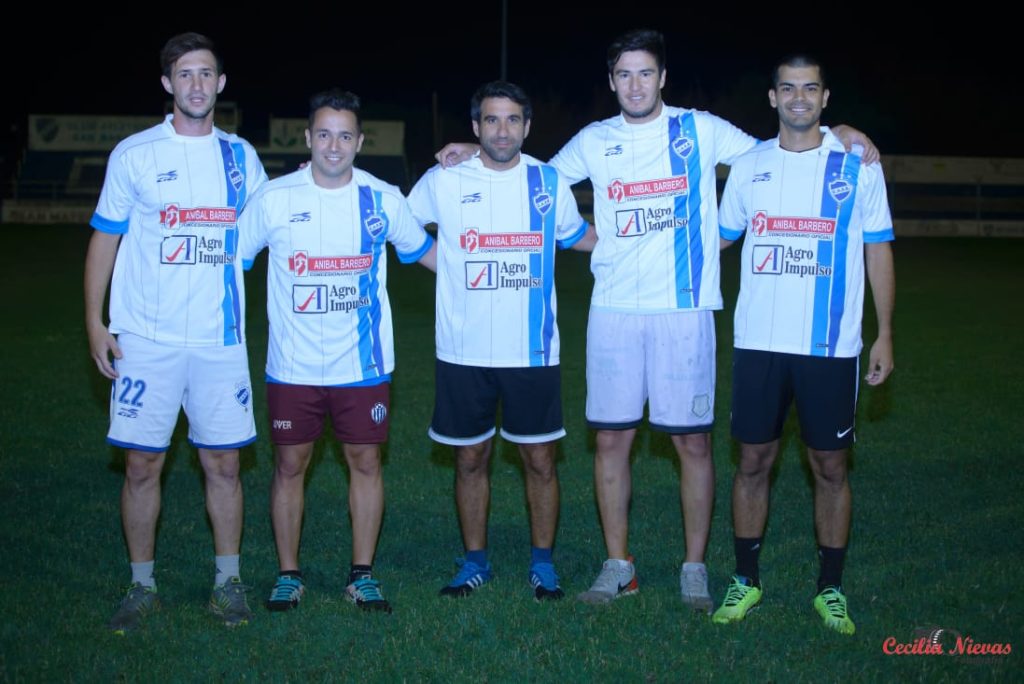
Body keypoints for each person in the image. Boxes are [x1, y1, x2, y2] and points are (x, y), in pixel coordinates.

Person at [438, 29, 877, 612]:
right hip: (614, 311)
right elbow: (527, 170)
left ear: (662, 78)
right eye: (624, 74)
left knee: (692, 443)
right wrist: (474, 151)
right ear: (611, 81)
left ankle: (694, 568)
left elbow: (781, 147)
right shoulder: (595, 140)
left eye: (646, 73)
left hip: (685, 311)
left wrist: (838, 132)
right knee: (611, 440)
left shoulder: (701, 129)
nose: (636, 84)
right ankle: (618, 565)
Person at [85, 32, 267, 632]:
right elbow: (105, 237)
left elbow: (273, 219)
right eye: (184, 74)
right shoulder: (135, 153)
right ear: (168, 83)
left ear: (221, 83)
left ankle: (228, 582)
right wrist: (94, 321)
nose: (196, 84)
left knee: (224, 465)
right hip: (146, 338)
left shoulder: (241, 157)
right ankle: (141, 586)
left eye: (205, 73)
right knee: (142, 465)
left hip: (219, 339)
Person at [712, 55, 895, 635]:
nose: (798, 98)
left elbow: (878, 248)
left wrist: (885, 332)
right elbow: (717, 238)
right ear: (772, 97)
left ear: (825, 97)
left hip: (831, 346)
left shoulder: (857, 166)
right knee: (752, 461)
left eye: (809, 88)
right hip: (759, 344)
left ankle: (830, 588)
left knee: (830, 466)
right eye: (788, 88)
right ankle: (745, 579)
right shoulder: (749, 167)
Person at [238, 89, 436, 614]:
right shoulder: (275, 198)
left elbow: (428, 254)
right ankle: (288, 574)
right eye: (324, 134)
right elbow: (230, 262)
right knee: (289, 465)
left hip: (362, 364)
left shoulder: (382, 198)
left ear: (360, 141)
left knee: (365, 462)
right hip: (292, 365)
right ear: (308, 137)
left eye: (344, 135)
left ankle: (362, 575)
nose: (333, 145)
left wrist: (500, 258)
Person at [408, 81, 595, 601]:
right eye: (491, 120)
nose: (502, 130)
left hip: (531, 351)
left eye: (513, 119)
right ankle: (474, 562)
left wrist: (640, 244)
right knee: (470, 459)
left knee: (539, 460)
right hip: (462, 349)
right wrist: (444, 264)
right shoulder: (445, 179)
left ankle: (543, 564)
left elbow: (578, 236)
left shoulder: (547, 181)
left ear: (527, 127)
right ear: (476, 127)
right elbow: (399, 226)